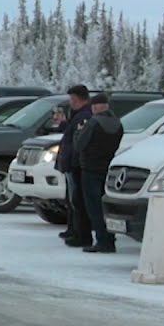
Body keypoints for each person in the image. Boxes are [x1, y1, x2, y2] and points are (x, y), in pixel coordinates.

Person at [75, 93, 125, 253]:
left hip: (90, 168)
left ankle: (103, 241)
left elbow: (79, 145)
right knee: (106, 207)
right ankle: (110, 238)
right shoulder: (118, 124)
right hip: (107, 167)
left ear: (95, 107)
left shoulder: (93, 123)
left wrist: (78, 132)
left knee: (94, 208)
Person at [54, 84, 93, 247]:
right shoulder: (77, 115)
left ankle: (80, 233)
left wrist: (73, 162)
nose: (70, 102)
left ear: (78, 99)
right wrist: (64, 124)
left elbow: (78, 141)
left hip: (75, 164)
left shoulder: (84, 115)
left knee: (77, 200)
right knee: (71, 199)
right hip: (71, 163)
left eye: (72, 99)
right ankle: (73, 229)